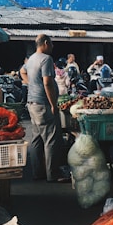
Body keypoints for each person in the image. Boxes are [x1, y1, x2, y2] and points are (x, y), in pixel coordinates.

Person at [26, 34, 68, 183]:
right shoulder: (46, 59)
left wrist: (31, 84)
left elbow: (22, 72)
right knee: (51, 139)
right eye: (51, 44)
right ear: (45, 43)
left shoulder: (31, 59)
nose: (52, 46)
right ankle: (53, 174)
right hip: (43, 104)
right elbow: (47, 83)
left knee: (37, 139)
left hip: (32, 103)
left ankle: (38, 173)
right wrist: (52, 104)